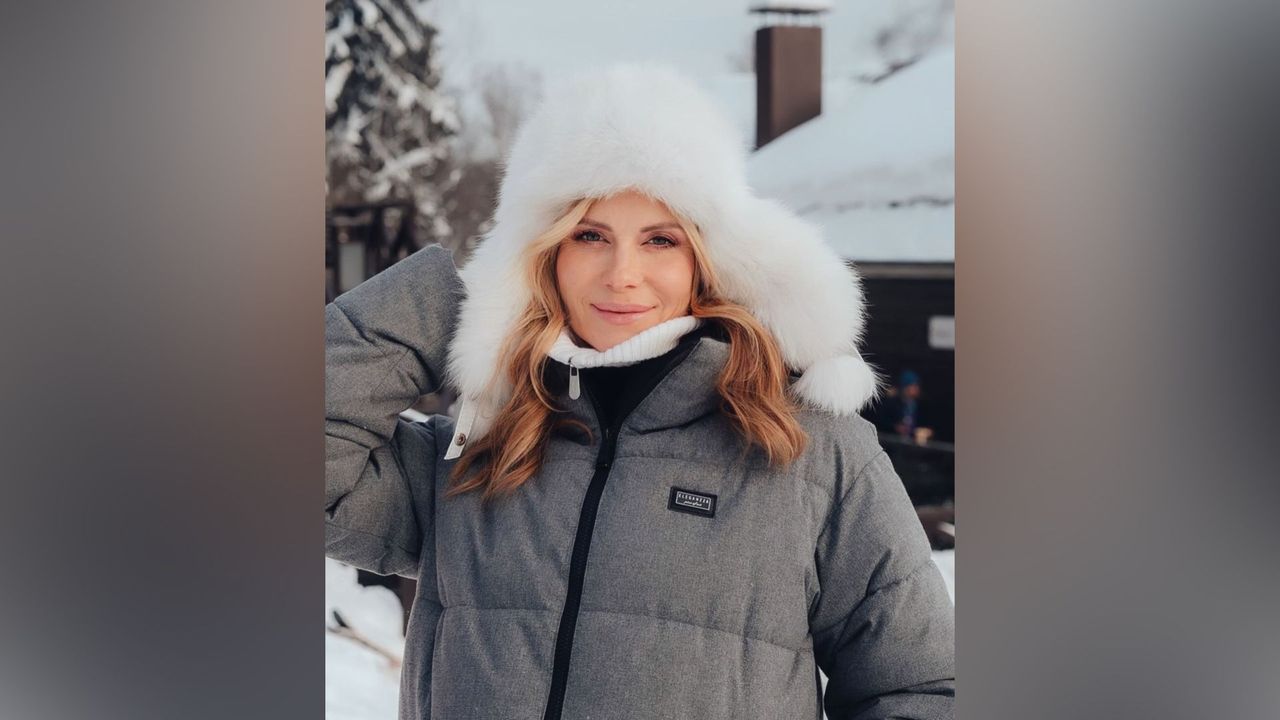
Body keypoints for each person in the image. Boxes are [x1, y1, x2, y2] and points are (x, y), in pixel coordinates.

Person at [325, 63, 954, 720]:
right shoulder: (481, 447)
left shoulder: (814, 454)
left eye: (660, 240)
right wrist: (453, 302)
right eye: (589, 235)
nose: (622, 274)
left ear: (707, 259)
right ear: (542, 254)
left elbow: (922, 688)